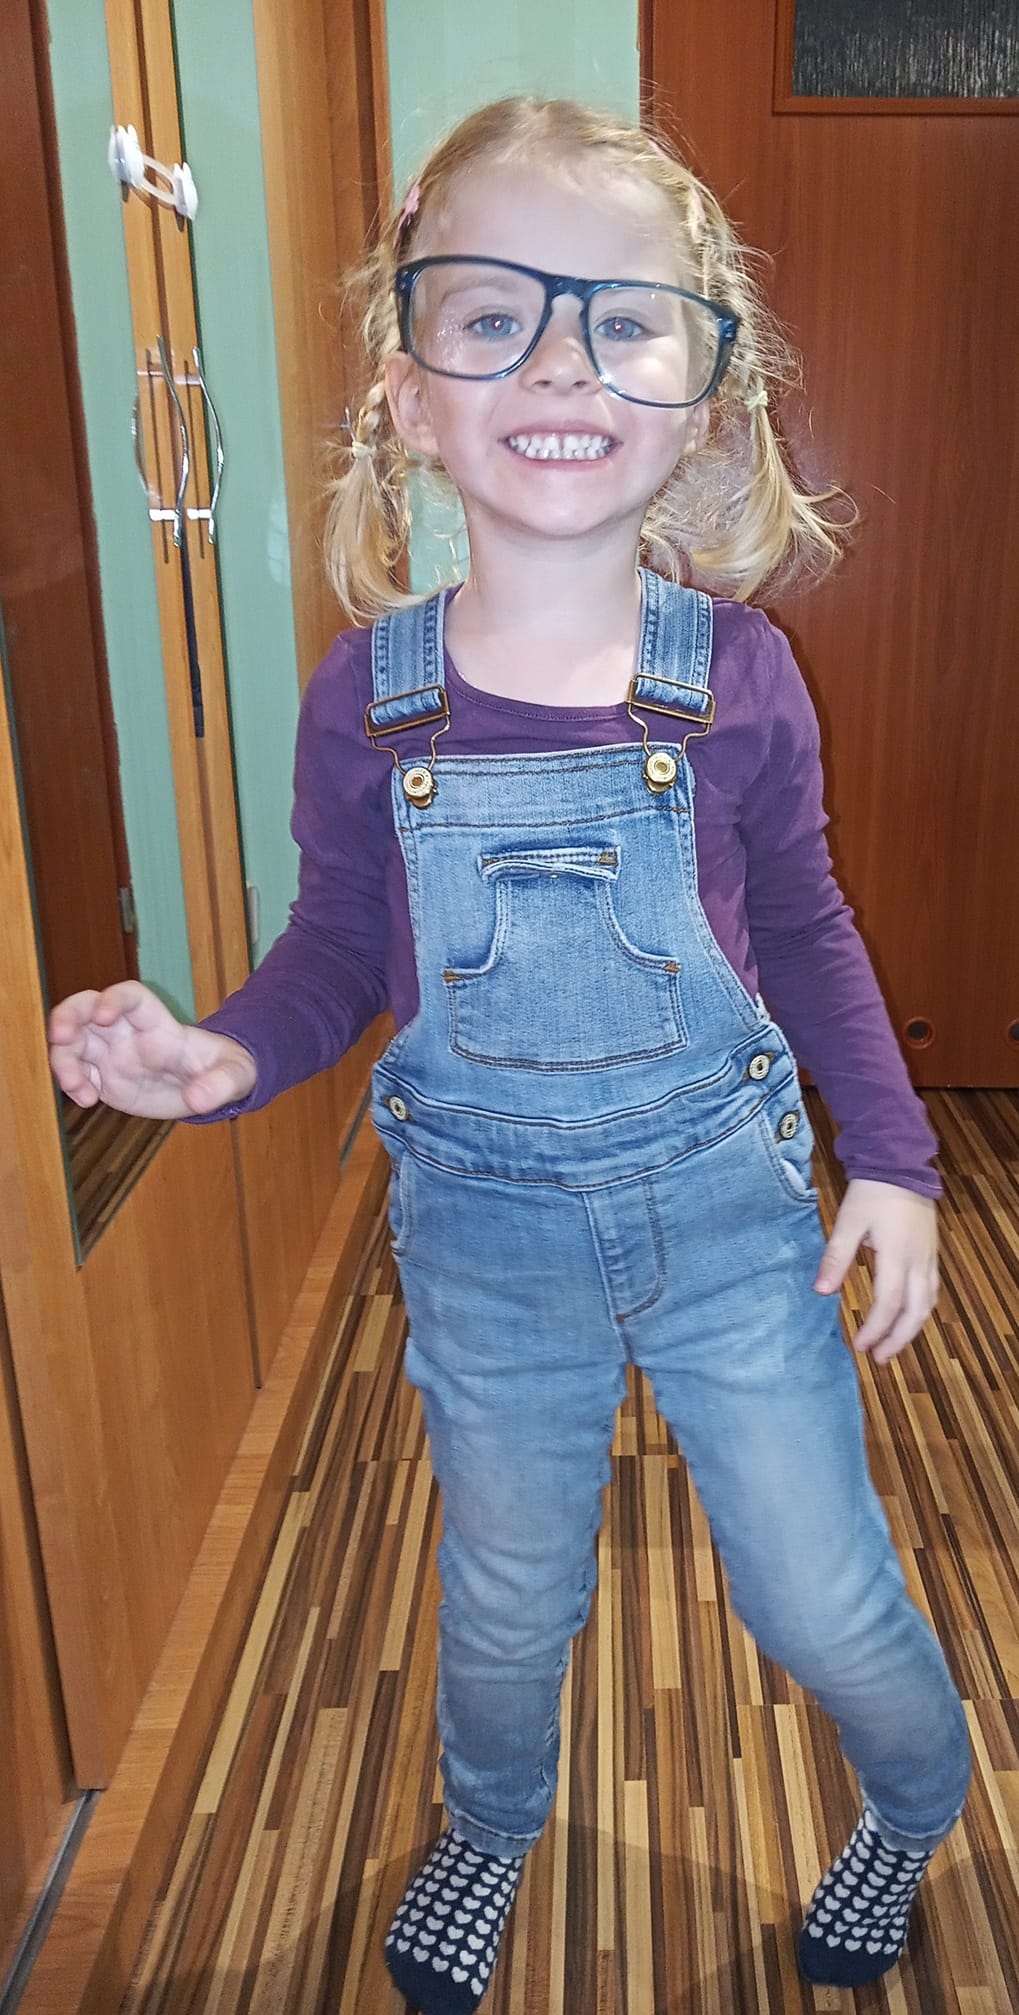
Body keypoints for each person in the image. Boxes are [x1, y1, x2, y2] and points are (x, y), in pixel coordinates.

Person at [49, 96, 970, 2014]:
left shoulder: (739, 678)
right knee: (503, 1596)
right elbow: (338, 952)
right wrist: (222, 1057)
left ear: (705, 398)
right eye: (493, 315)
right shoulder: (363, 698)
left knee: (821, 1591)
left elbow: (807, 930)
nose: (561, 362)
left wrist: (895, 1160)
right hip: (485, 1243)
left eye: (622, 320)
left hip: (727, 1221)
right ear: (409, 392)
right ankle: (486, 1822)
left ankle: (915, 1805)